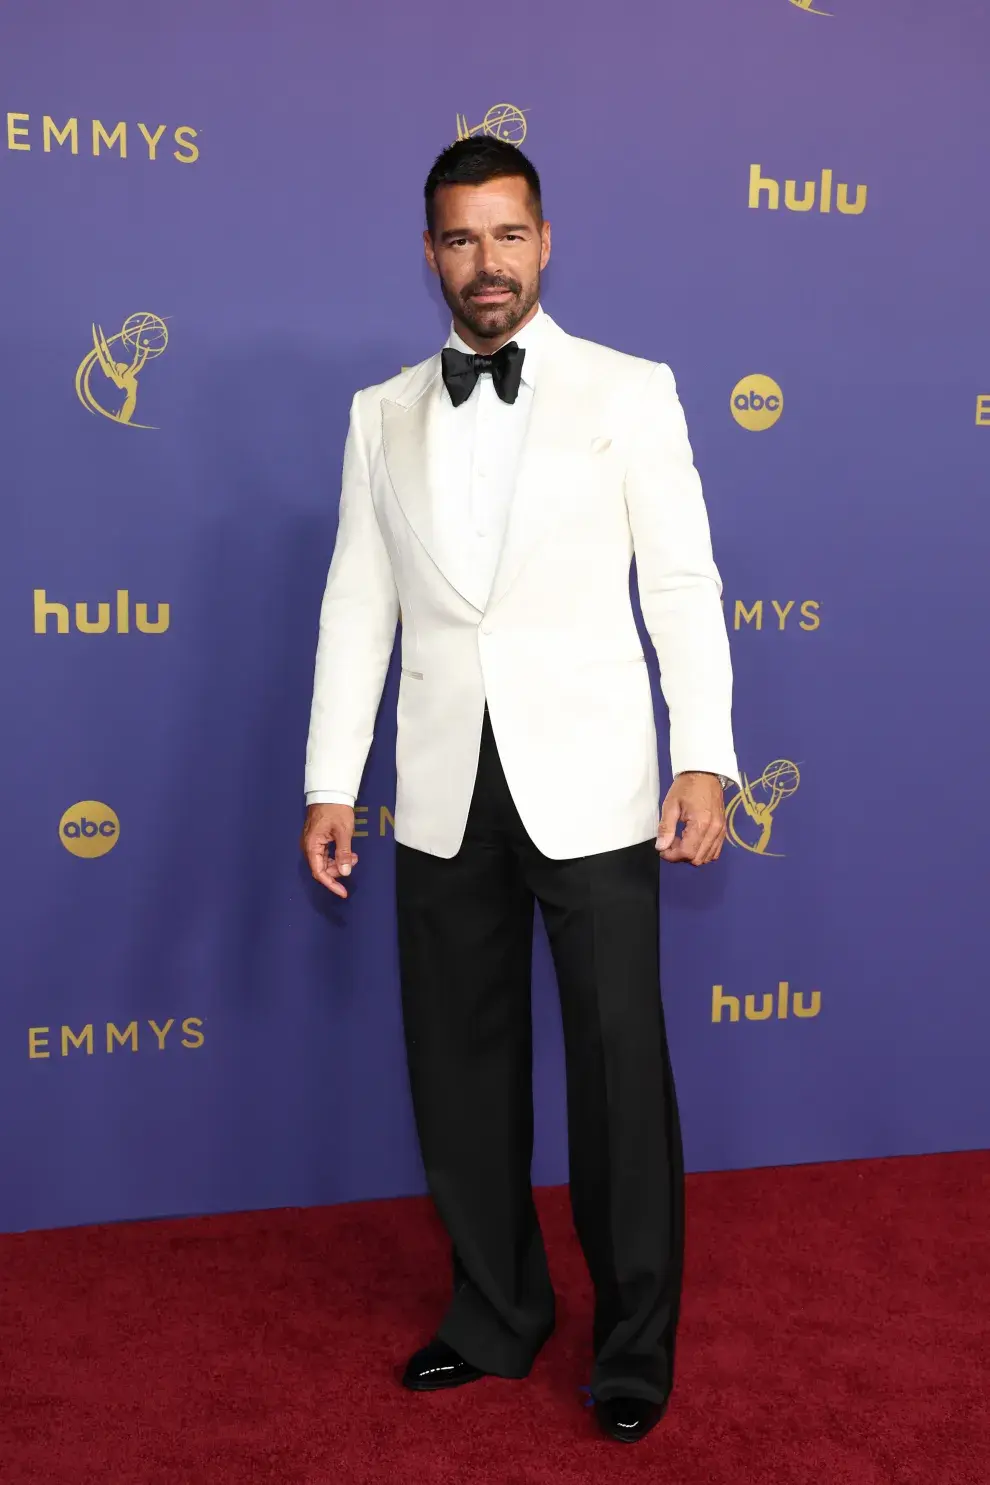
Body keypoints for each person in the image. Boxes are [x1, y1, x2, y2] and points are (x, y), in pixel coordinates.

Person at [300, 135, 739, 1445]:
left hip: (596, 781)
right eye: (457, 237)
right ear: (428, 251)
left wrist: (702, 754)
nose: (482, 262)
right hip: (439, 786)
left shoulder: (630, 390)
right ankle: (495, 1314)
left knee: (616, 1074)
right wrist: (333, 779)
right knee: (461, 1069)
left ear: (544, 243)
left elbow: (679, 583)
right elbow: (354, 606)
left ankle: (630, 1347)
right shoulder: (380, 410)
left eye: (505, 235)